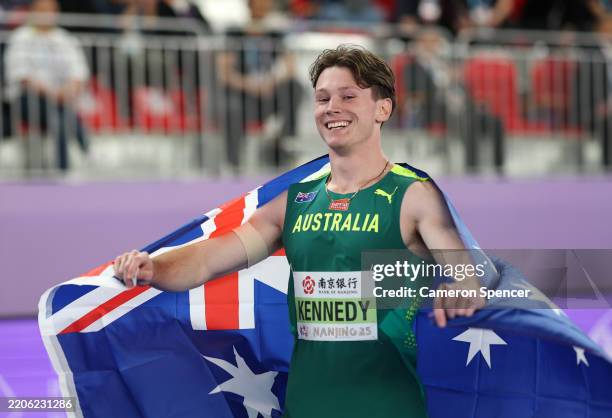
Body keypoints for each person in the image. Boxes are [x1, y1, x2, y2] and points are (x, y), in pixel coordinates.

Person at [114, 45, 486, 417]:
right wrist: (154, 267)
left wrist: (461, 291)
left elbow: (471, 281)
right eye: (322, 98)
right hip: (306, 406)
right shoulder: (295, 202)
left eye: (348, 96)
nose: (331, 107)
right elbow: (207, 260)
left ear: (382, 109)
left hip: (388, 407)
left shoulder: (413, 196)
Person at [4, 0, 90, 171]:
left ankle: (63, 169)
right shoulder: (21, 37)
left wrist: (67, 90)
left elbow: (78, 73)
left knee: (59, 116)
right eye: (42, 10)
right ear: (32, 11)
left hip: (60, 100)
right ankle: (80, 151)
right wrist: (53, 93)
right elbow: (22, 76)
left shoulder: (64, 39)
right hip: (25, 99)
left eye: (50, 10)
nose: (47, 14)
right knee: (61, 113)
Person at [215, 0, 302, 168]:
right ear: (250, 5)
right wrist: (249, 84)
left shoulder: (275, 34)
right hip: (241, 95)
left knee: (294, 87)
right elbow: (224, 73)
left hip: (268, 94)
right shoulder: (235, 33)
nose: (264, 6)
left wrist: (271, 82)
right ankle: (233, 164)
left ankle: (285, 143)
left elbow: (290, 67)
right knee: (231, 108)